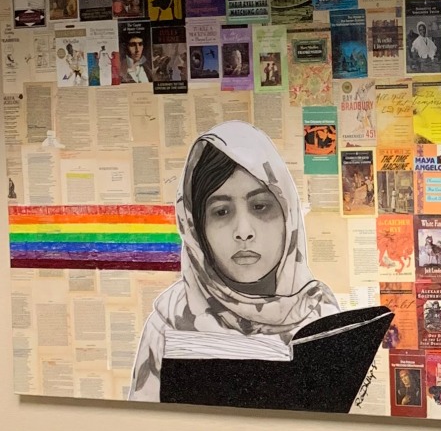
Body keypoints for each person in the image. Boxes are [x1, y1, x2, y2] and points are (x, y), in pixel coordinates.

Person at [128, 122, 339, 401]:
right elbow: (142, 423)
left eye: (260, 206)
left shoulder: (322, 315)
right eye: (221, 211)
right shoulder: (169, 321)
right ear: (196, 228)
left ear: (287, 215)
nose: (243, 231)